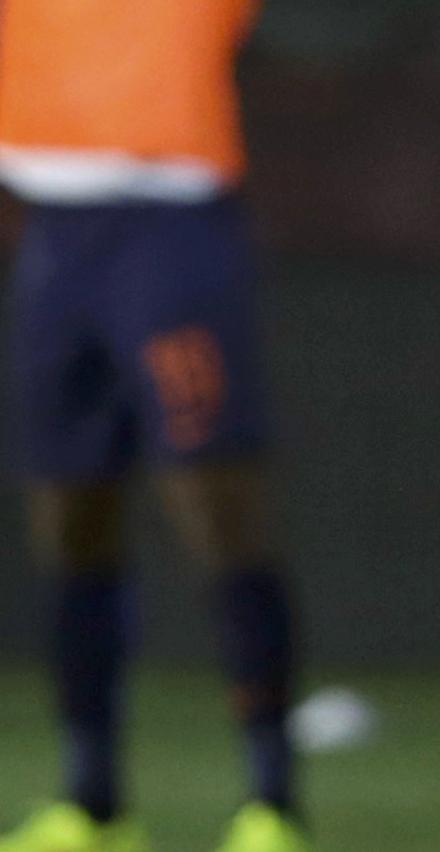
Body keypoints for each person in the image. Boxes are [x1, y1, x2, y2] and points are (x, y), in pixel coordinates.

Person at [0, 2, 310, 851]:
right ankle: (94, 801)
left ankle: (272, 801)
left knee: (214, 504)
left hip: (170, 224)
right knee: (67, 515)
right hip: (54, 232)